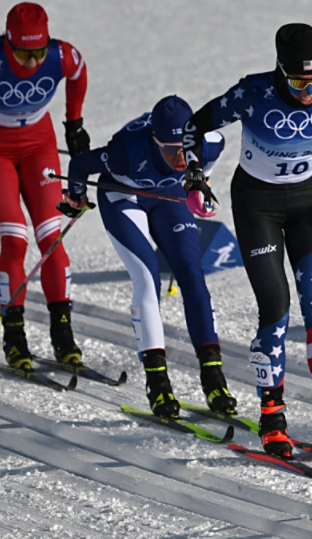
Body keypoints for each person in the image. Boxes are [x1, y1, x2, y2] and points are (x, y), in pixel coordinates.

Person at [179, 23, 312, 458]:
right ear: (279, 72)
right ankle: (272, 415)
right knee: (275, 308)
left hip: (309, 204)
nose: (309, 92)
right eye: (297, 83)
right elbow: (194, 126)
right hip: (258, 207)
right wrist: (195, 176)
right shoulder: (253, 93)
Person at [60, 96, 237, 417]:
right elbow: (81, 165)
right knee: (146, 277)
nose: (179, 158)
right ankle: (157, 383)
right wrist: (75, 197)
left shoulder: (210, 143)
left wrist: (200, 185)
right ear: (155, 141)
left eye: (185, 149)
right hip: (124, 194)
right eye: (169, 150)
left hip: (169, 197)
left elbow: (204, 170)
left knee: (193, 276)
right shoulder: (127, 152)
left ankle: (214, 379)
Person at [0, 2, 90, 370]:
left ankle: (62, 334)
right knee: (14, 239)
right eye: (23, 54)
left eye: (39, 51)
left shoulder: (61, 55)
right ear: (8, 42)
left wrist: (74, 123)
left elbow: (79, 72)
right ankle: (14, 335)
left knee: (51, 237)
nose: (34, 62)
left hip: (40, 145)